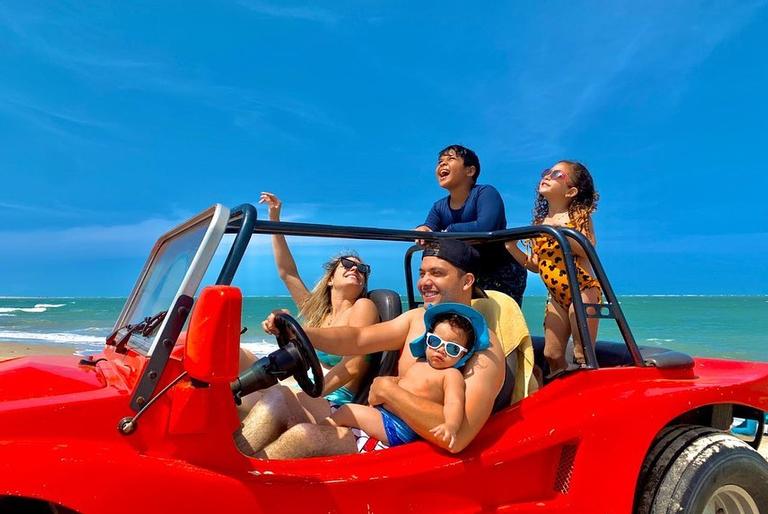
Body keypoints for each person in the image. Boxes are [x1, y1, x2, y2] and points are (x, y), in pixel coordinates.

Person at [236, 239, 506, 459]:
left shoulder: (484, 350)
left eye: (437, 273)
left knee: (304, 437)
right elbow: (357, 338)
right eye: (422, 273)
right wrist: (304, 332)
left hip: (406, 451)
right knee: (279, 397)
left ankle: (243, 492)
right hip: (375, 422)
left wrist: (390, 391)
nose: (424, 282)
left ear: (467, 281)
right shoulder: (417, 319)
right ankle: (229, 470)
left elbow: (457, 438)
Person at [238, 192, 379, 415]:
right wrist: (274, 218)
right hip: (304, 388)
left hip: (331, 398)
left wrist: (307, 395)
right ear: (331, 279)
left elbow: (352, 366)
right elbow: (288, 273)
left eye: (362, 269)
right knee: (238, 356)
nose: (355, 270)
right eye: (347, 264)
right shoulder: (318, 311)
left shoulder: (363, 307)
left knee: (254, 400)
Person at [322, 303, 489, 449]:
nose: (440, 350)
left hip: (398, 427)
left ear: (463, 356)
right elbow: (404, 383)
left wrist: (450, 425)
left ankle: (320, 427)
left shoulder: (451, 375)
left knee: (347, 410)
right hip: (384, 417)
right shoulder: (420, 363)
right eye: (435, 342)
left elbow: (455, 402)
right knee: (345, 413)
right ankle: (329, 429)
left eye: (452, 349)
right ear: (427, 341)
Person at [505, 161, 601, 375]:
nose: (547, 176)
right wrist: (512, 248)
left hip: (583, 289)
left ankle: (584, 389)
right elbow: (535, 265)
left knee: (582, 350)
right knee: (552, 353)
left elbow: (588, 249)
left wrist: (561, 231)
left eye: (557, 174)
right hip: (556, 296)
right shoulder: (540, 223)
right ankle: (559, 388)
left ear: (571, 191)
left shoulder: (579, 217)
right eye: (546, 172)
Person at [415, 145, 527, 306]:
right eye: (440, 161)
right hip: (467, 273)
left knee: (494, 318)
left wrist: (450, 231)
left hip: (501, 272)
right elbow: (429, 228)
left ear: (470, 171)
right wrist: (423, 230)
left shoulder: (485, 193)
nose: (442, 164)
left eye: (450, 159)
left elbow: (487, 226)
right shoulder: (439, 206)